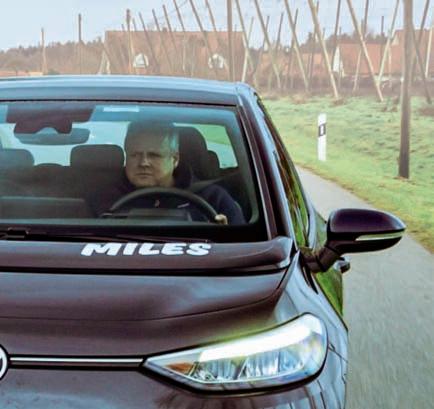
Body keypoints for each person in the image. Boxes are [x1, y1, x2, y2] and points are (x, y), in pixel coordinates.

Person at [96, 121, 245, 225]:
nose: (143, 163)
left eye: (154, 155)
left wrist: (224, 235)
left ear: (175, 159)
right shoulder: (105, 197)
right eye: (134, 155)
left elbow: (243, 247)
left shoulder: (214, 199)